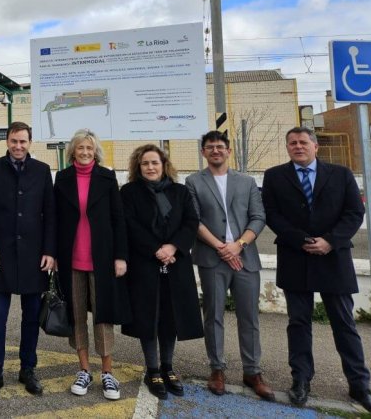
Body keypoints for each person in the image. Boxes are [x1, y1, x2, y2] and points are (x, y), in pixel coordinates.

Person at [262, 127, 371, 416]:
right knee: (299, 324)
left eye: (303, 142)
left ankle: (360, 385)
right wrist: (300, 239)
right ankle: (301, 381)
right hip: (296, 256)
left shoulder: (341, 174)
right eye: (292, 143)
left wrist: (330, 240)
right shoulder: (275, 176)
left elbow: (354, 212)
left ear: (315, 146)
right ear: (287, 147)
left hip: (333, 258)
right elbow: (272, 213)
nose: (298, 146)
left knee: (344, 324)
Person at [185, 130, 274, 400]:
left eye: (220, 146)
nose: (215, 151)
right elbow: (194, 220)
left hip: (245, 258)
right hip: (212, 258)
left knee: (250, 317)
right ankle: (217, 370)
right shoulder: (193, 181)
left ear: (228, 151)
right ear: (203, 152)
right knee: (213, 316)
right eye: (210, 147)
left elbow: (258, 217)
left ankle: (252, 371)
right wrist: (221, 248)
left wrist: (239, 245)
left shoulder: (246, 182)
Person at [0, 121, 56, 399]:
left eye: (23, 141)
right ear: (7, 142)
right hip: (1, 256)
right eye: (14, 141)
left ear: (30, 142)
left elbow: (50, 214)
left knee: (30, 319)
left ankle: (28, 369)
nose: (18, 146)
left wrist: (50, 251)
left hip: (35, 257)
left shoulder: (42, 171)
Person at [52, 129, 130, 402]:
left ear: (95, 151)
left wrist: (121, 257)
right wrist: (52, 254)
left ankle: (107, 372)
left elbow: (118, 220)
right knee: (76, 316)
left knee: (103, 315)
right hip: (70, 258)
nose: (85, 152)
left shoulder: (107, 178)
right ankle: (84, 369)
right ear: (72, 151)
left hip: (102, 259)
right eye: (80, 148)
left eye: (89, 148)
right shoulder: (62, 179)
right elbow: (55, 219)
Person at [121, 144, 202, 400]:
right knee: (148, 319)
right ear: (138, 166)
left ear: (163, 164)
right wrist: (155, 249)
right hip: (145, 264)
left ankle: (168, 367)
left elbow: (191, 221)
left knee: (171, 318)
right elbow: (129, 224)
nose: (150, 167)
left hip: (176, 263)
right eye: (145, 163)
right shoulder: (129, 192)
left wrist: (173, 247)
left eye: (154, 162)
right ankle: (152, 369)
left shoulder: (180, 192)